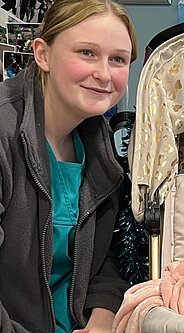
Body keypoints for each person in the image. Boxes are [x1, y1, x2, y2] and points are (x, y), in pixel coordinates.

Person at [0, 0, 138, 332]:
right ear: (42, 54)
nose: (104, 74)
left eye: (117, 59)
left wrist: (104, 314)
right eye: (87, 53)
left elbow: (109, 255)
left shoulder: (99, 143)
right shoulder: (4, 131)